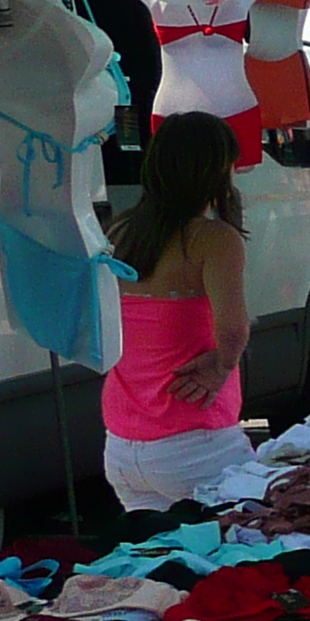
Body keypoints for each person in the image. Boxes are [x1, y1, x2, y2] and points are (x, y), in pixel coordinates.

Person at [102, 111, 254, 512]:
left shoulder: (120, 232)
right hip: (196, 443)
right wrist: (222, 365)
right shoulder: (214, 240)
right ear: (217, 171)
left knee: (159, 562)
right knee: (242, 553)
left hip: (121, 445)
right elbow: (234, 329)